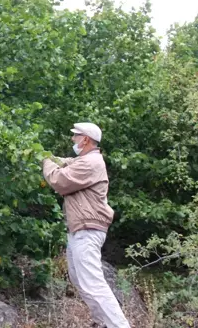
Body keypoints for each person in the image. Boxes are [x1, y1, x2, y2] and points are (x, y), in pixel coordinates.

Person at [41, 122, 130, 328]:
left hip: (88, 230)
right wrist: (49, 156)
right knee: (80, 280)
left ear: (86, 139)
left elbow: (58, 180)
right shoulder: (84, 160)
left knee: (92, 283)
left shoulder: (90, 163)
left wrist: (46, 161)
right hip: (80, 229)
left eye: (75, 136)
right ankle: (102, 322)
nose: (73, 140)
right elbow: (66, 162)